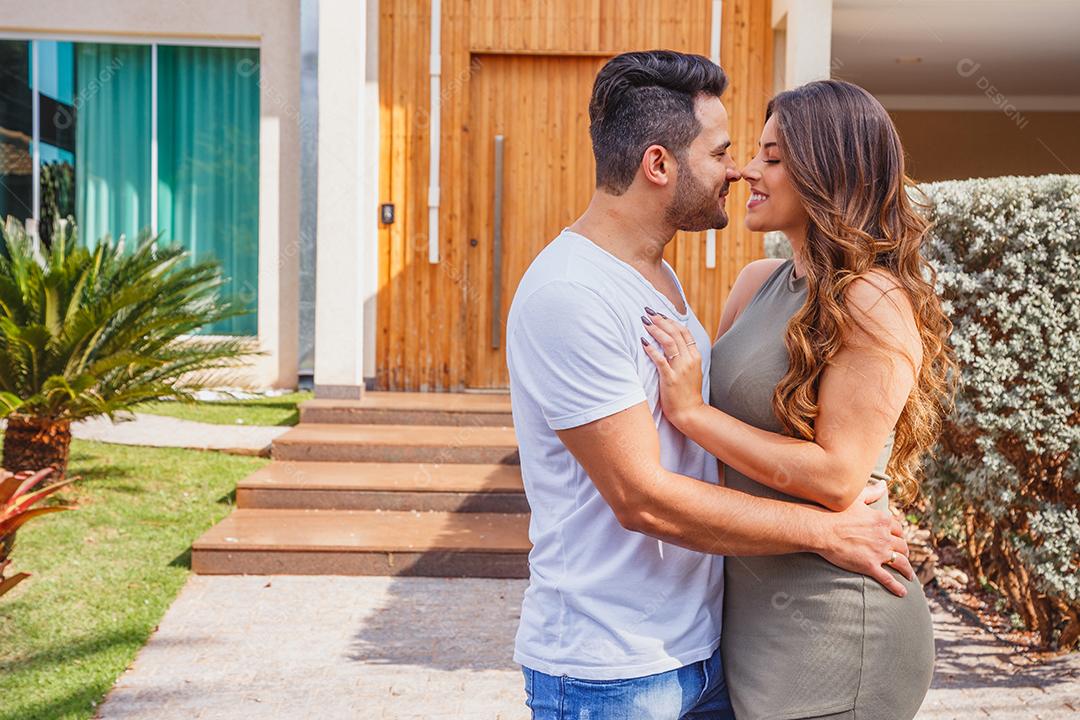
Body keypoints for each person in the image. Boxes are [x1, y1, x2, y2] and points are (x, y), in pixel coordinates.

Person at [507, 51, 915, 720]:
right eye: (724, 151)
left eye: (762, 155)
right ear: (660, 165)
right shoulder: (570, 293)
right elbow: (643, 499)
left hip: (706, 652)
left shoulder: (660, 280)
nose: (740, 169)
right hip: (614, 669)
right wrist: (823, 532)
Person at [640, 79, 957, 719]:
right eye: (756, 152)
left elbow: (840, 478)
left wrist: (693, 415)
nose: (748, 170)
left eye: (774, 158)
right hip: (749, 619)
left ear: (829, 171)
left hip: (836, 622)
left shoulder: (871, 301)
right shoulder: (758, 282)